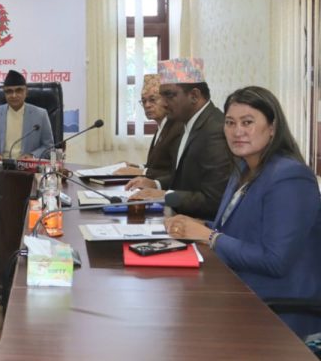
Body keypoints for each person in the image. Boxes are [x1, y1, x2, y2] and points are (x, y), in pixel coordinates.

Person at [165, 86, 321, 339]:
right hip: (239, 289)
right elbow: (240, 231)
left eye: (247, 122)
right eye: (230, 123)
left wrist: (208, 236)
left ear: (272, 127)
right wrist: (197, 225)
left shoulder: (290, 177)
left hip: (279, 308)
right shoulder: (243, 168)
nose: (237, 131)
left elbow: (275, 260)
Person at [127, 58, 231, 220]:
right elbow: (184, 177)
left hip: (198, 227)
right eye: (162, 96)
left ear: (194, 96)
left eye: (169, 95)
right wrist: (156, 184)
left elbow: (213, 200)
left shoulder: (215, 130)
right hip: (179, 220)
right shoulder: (187, 122)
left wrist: (165, 195)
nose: (164, 103)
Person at [114, 74, 183, 179]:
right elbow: (156, 166)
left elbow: (174, 173)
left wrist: (141, 172)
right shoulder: (161, 126)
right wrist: (135, 167)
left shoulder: (177, 128)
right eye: (144, 101)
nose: (147, 105)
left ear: (166, 101)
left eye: (152, 99)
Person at [0, 70, 54, 160]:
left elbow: (49, 147)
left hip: (27, 166)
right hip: (0, 165)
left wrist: (32, 156)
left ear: (26, 92)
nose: (14, 95)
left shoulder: (41, 115)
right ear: (4, 93)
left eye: (18, 90)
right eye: (9, 91)